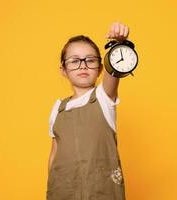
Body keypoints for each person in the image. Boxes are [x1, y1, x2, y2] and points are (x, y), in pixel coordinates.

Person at [46, 22, 130, 200]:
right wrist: (51, 188)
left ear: (100, 68)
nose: (83, 66)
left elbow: (114, 70)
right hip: (63, 193)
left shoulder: (104, 97)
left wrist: (119, 44)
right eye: (75, 61)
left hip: (101, 192)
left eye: (90, 60)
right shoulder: (58, 108)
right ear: (63, 70)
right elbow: (55, 152)